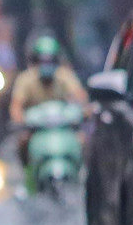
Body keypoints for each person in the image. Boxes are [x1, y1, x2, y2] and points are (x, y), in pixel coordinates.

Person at [10, 35, 87, 165]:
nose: (46, 65)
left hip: (63, 127)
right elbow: (16, 106)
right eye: (42, 61)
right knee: (22, 141)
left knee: (83, 141)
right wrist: (20, 122)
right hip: (36, 129)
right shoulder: (26, 79)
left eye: (50, 61)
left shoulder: (65, 76)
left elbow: (81, 97)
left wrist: (82, 111)